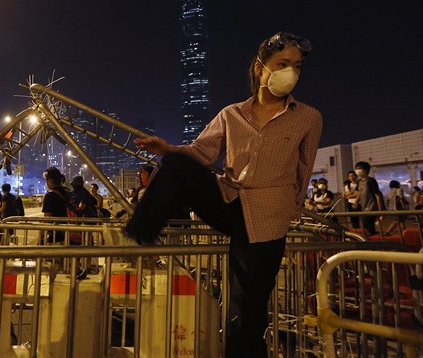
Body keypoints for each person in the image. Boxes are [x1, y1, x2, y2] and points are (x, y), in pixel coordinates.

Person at [124, 32, 322, 357]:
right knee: (177, 163)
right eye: (282, 64)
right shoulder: (232, 114)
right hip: (229, 202)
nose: (291, 73)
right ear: (260, 69)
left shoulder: (308, 118)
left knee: (246, 310)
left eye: (297, 66)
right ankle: (140, 234)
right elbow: (200, 152)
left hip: (268, 219)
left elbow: (304, 168)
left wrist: (292, 210)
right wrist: (168, 150)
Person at [42, 167, 71, 243]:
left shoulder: (50, 196)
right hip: (70, 232)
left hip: (56, 235)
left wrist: (42, 238)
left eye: (46, 180)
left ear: (50, 181)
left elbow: (47, 219)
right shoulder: (68, 193)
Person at [354, 161, 383, 235]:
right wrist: (356, 201)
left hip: (372, 207)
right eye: (356, 169)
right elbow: (359, 192)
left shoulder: (370, 181)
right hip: (364, 207)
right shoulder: (359, 181)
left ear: (366, 170)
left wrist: (380, 210)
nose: (357, 171)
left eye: (359, 168)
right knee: (366, 227)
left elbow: (377, 195)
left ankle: (372, 243)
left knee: (368, 227)